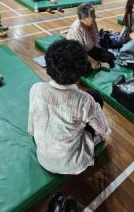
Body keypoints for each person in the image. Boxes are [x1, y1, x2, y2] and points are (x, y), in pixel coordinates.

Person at [28, 39, 111, 175]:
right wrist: (101, 135)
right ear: (80, 71)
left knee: (89, 101)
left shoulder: (36, 89)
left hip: (43, 156)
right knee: (95, 96)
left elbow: (32, 125)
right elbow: (103, 130)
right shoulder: (84, 101)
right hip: (71, 162)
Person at [67, 3, 115, 69]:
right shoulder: (76, 30)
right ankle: (98, 64)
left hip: (90, 48)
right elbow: (80, 52)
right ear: (84, 18)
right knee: (81, 66)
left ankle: (98, 62)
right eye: (92, 15)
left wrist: (100, 50)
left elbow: (96, 37)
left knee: (110, 57)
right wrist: (93, 61)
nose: (95, 17)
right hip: (80, 54)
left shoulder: (92, 22)